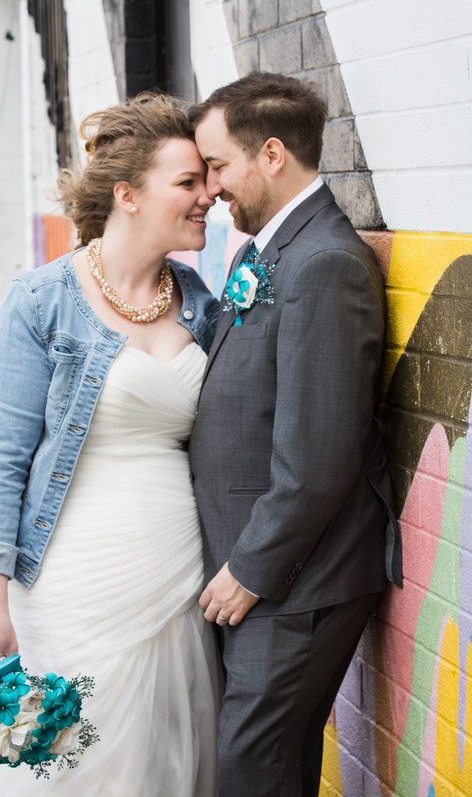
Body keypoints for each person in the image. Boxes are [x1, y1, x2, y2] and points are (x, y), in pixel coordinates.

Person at [0, 93, 221, 796]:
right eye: (187, 182)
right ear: (127, 195)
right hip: (68, 583)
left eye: (206, 180)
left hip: (176, 577)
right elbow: (0, 463)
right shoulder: (41, 301)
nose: (207, 195)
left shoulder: (203, 304)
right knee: (48, 763)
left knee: (158, 762)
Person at [188, 72, 403, 797]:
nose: (211, 187)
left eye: (217, 165)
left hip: (294, 580)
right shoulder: (266, 251)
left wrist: (252, 569)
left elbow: (318, 454)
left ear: (272, 154)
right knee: (265, 769)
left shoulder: (325, 263)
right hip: (262, 571)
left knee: (251, 768)